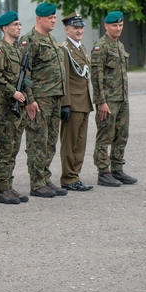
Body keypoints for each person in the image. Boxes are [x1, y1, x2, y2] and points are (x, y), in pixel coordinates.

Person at [23, 3, 68, 199]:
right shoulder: (29, 40)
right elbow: (24, 72)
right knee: (37, 141)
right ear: (39, 18)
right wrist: (29, 100)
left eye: (54, 17)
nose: (53, 20)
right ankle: (37, 182)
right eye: (49, 17)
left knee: (50, 141)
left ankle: (45, 178)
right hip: (40, 99)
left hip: (55, 97)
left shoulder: (51, 39)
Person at [0, 12, 29, 205]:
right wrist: (13, 92)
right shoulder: (0, 50)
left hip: (18, 107)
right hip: (7, 107)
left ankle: (9, 186)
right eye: (14, 25)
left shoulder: (17, 50)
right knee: (5, 148)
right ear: (5, 28)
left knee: (14, 148)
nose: (19, 27)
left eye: (20, 24)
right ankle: (3, 189)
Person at [92, 11, 138, 187]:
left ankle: (117, 169)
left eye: (120, 25)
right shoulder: (101, 47)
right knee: (105, 135)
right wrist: (101, 101)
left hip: (122, 99)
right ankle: (103, 172)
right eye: (114, 26)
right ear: (106, 26)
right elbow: (96, 77)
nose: (118, 28)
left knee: (122, 134)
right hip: (108, 100)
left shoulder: (119, 46)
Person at [59, 13, 94, 192]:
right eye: (75, 27)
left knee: (80, 143)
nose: (79, 30)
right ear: (67, 30)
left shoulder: (82, 48)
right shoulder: (64, 49)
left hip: (84, 102)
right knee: (70, 143)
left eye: (81, 27)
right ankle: (68, 178)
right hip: (72, 104)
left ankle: (75, 176)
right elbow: (64, 78)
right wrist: (65, 103)